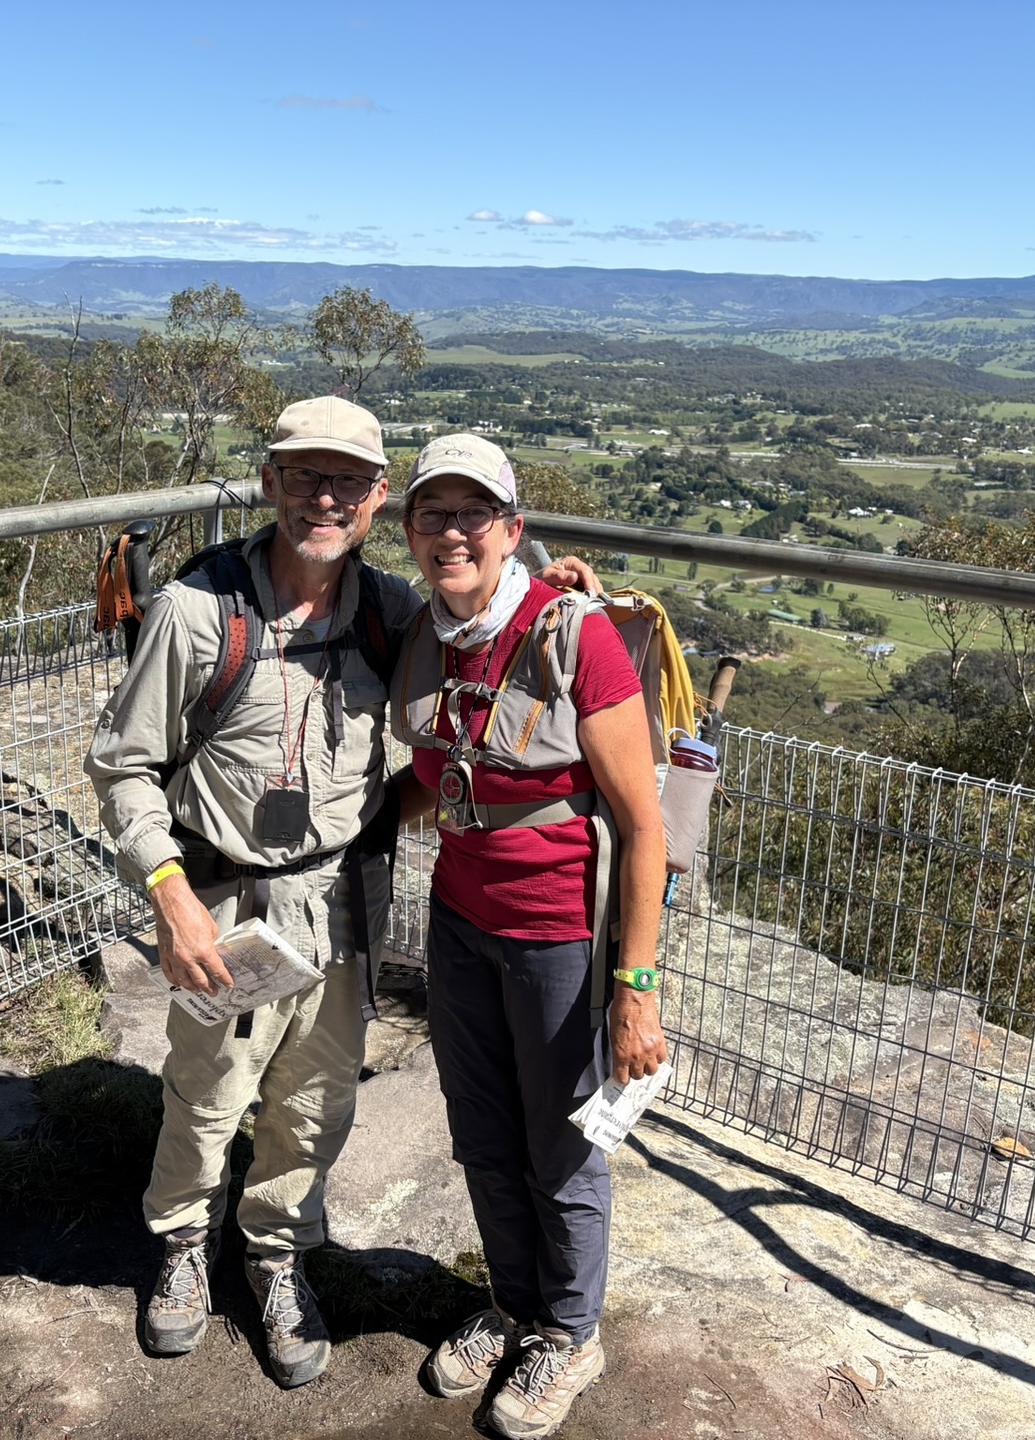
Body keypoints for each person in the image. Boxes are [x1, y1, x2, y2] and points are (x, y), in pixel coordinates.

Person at [86, 398, 596, 1390]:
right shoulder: (198, 613)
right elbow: (123, 767)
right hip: (224, 901)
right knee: (205, 1094)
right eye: (306, 476)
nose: (326, 498)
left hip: (341, 902)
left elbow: (479, 646)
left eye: (349, 482)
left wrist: (547, 598)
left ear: (376, 500)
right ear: (271, 482)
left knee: (315, 1104)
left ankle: (276, 1257)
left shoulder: (389, 612)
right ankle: (184, 1245)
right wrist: (171, 896)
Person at [389, 433, 668, 1438]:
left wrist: (635, 985)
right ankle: (514, 1306)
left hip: (560, 936)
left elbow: (644, 828)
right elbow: (432, 781)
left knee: (562, 1149)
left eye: (475, 514)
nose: (453, 533)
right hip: (460, 921)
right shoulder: (422, 633)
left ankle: (572, 1334)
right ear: (409, 531)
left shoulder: (575, 636)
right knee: (481, 1132)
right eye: (433, 513)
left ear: (512, 529)